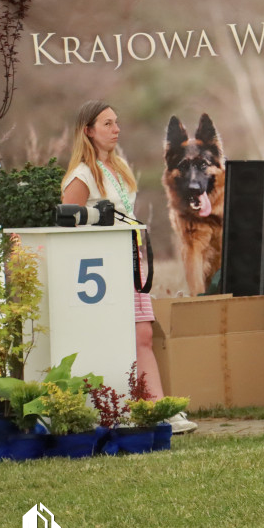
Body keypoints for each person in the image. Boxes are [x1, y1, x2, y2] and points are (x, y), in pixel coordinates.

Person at [61, 100, 197, 434]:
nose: (116, 129)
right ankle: (122, 410)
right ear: (88, 131)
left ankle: (158, 409)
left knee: (143, 334)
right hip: (100, 271)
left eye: (116, 122)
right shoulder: (81, 175)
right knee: (119, 337)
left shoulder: (120, 166)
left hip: (130, 259)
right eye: (107, 124)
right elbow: (66, 222)